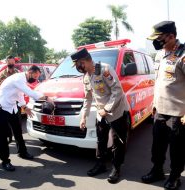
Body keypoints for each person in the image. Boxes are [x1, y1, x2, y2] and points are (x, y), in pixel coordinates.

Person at [71, 48, 130, 184]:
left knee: (117, 143)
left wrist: (107, 109)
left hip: (117, 112)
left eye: (79, 64)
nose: (79, 67)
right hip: (100, 113)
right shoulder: (86, 76)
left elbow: (118, 91)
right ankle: (101, 164)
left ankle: (116, 168)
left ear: (86, 60)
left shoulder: (104, 69)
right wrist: (83, 117)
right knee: (101, 141)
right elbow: (88, 98)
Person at [141, 21, 185, 190]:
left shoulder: (182, 55)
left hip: (177, 113)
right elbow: (159, 82)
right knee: (157, 146)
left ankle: (175, 175)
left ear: (171, 36)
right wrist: (154, 103)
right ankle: (157, 170)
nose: (156, 42)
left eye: (159, 39)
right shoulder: (160, 54)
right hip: (160, 110)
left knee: (177, 149)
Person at [0, 65, 54, 171]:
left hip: (12, 106)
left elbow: (19, 95)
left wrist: (24, 107)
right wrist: (47, 98)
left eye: (37, 77)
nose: (35, 79)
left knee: (18, 131)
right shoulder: (18, 78)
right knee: (3, 136)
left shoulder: (22, 80)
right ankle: (5, 161)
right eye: (35, 76)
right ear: (30, 71)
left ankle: (22, 152)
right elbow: (30, 93)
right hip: (1, 106)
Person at [0, 55, 19, 144]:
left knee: (17, 122)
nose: (11, 63)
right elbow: (2, 86)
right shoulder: (2, 73)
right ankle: (9, 136)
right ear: (6, 62)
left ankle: (18, 137)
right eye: (9, 62)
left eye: (12, 62)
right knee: (6, 121)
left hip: (16, 99)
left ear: (14, 63)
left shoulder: (18, 72)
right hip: (6, 100)